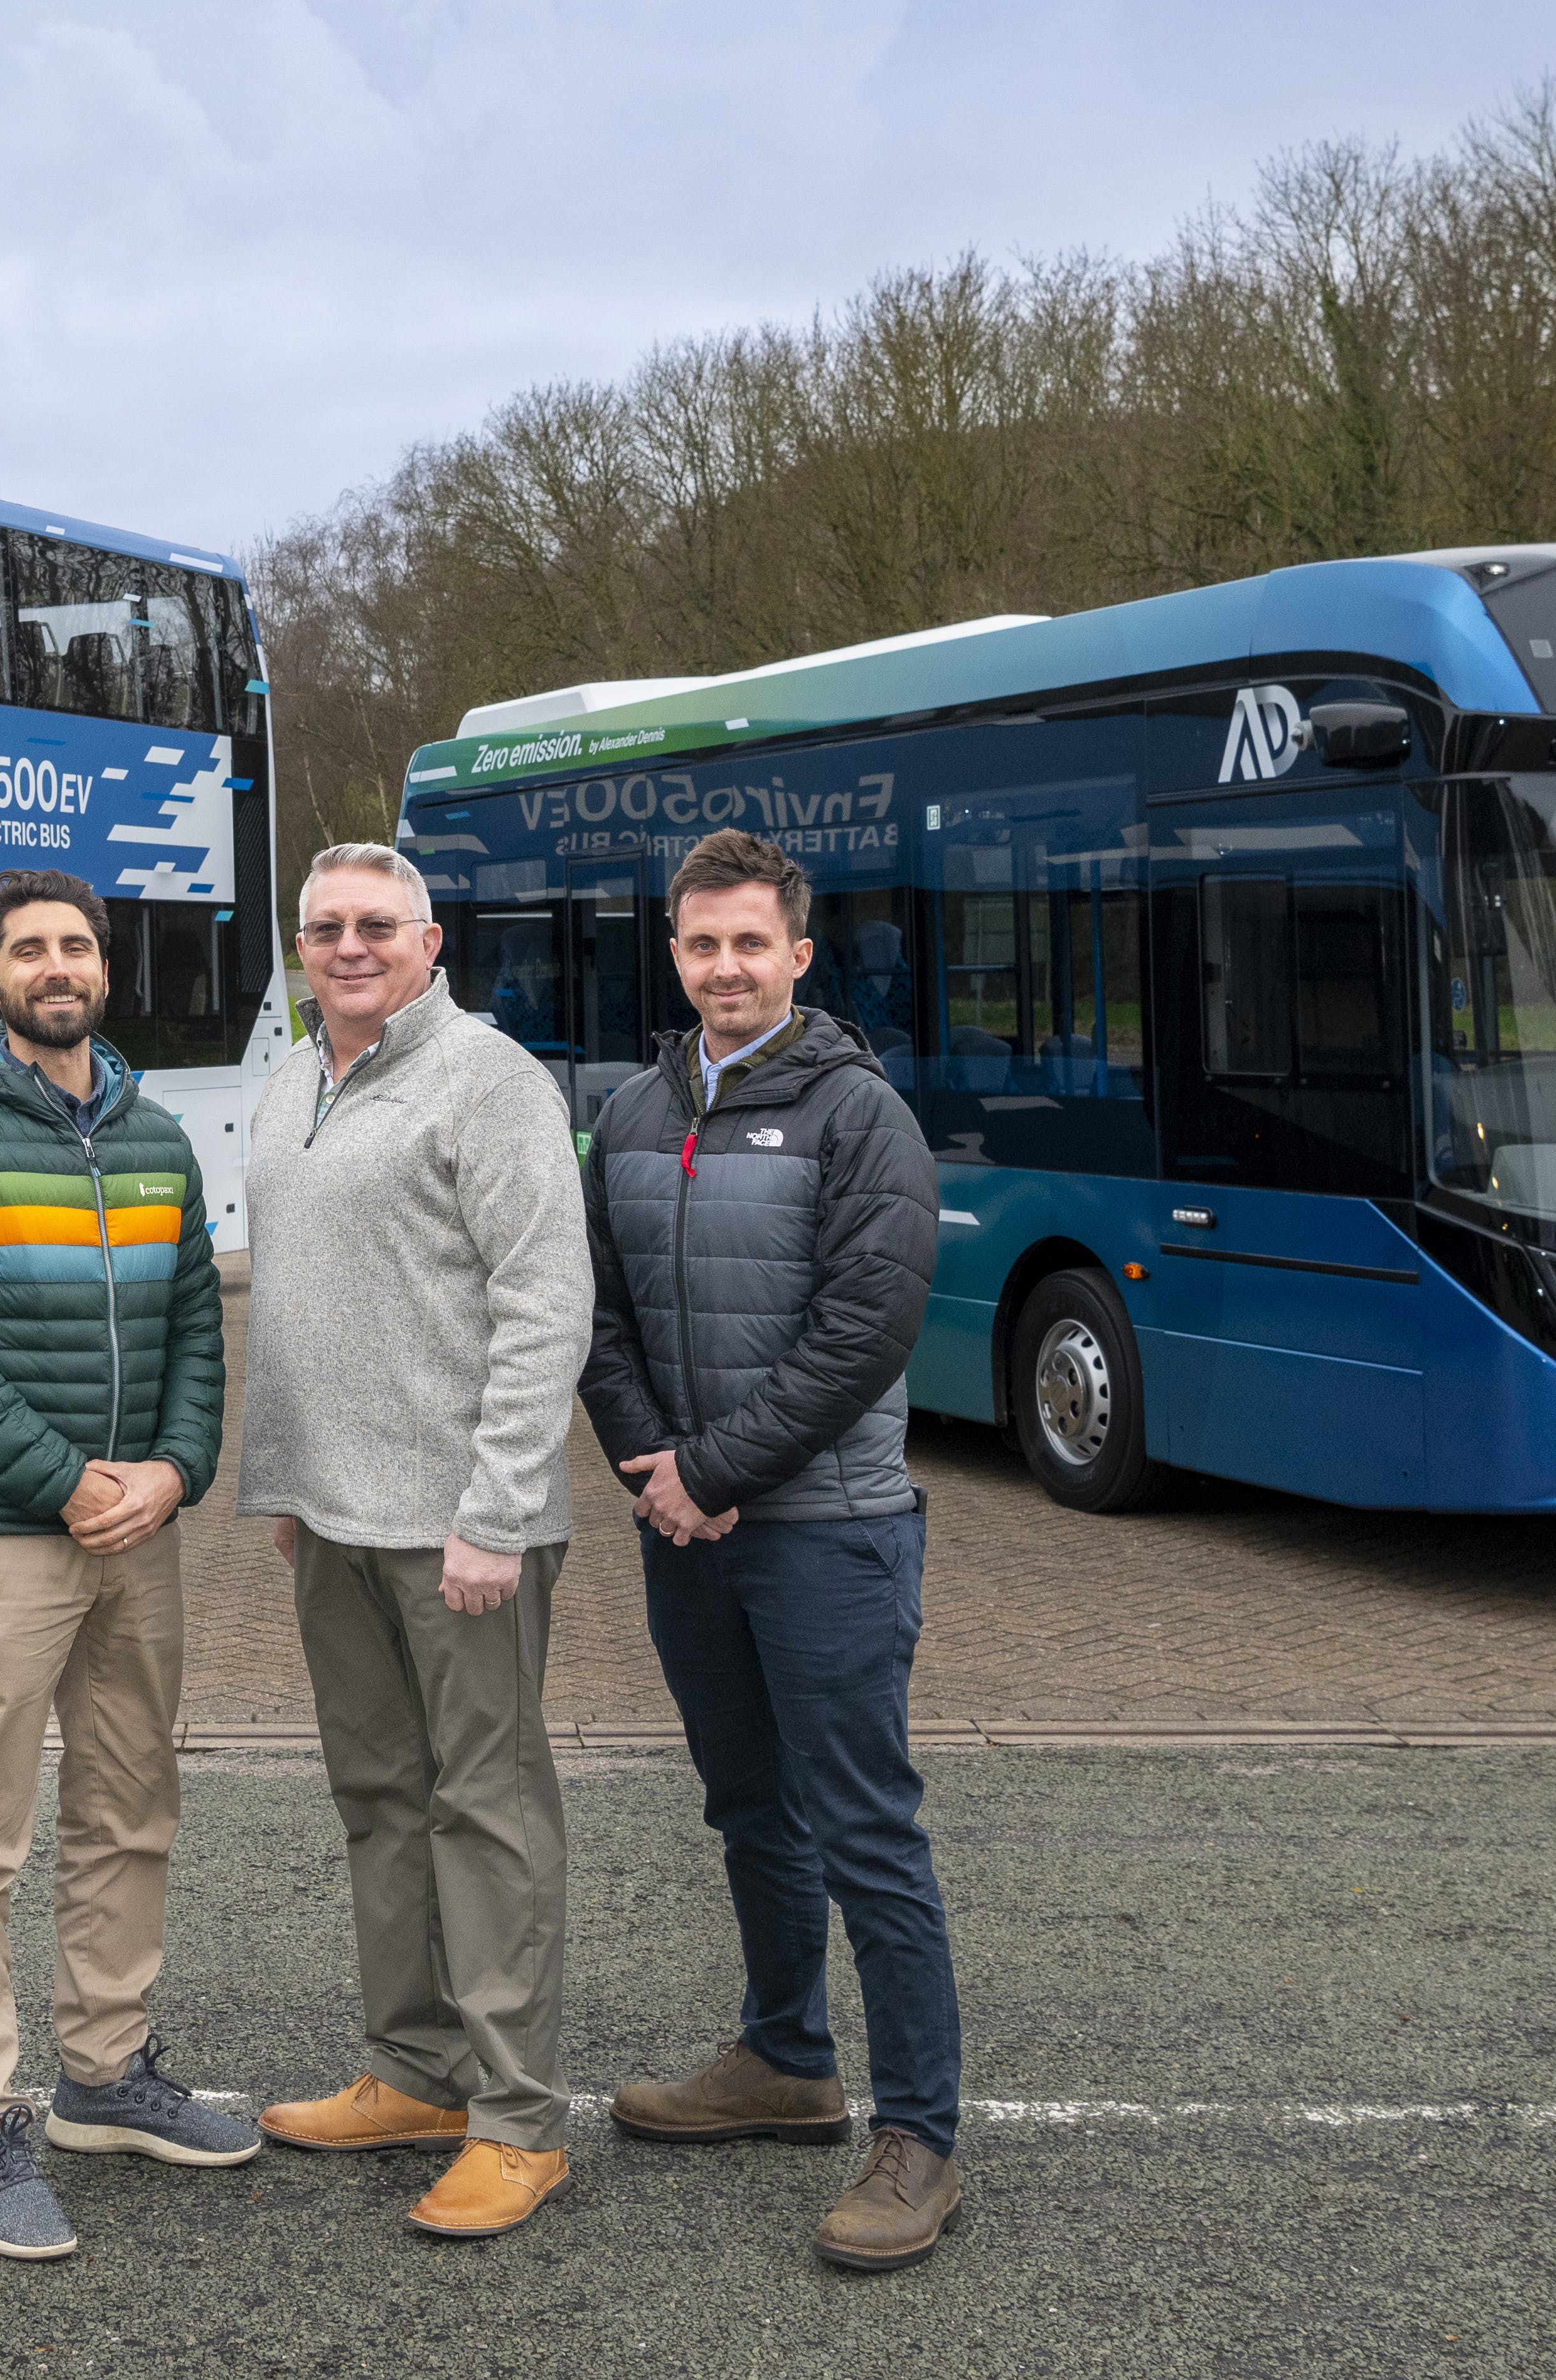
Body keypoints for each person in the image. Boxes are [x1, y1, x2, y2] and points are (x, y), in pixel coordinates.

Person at [580, 827, 962, 2271]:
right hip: (685, 1527)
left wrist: (719, 1469)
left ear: (798, 953)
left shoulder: (859, 1112)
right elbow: (597, 1314)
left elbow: (866, 1329)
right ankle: (786, 2057)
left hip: (829, 1531)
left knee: (866, 1830)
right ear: (671, 955)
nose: (723, 966)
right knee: (747, 1806)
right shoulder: (627, 1110)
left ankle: (918, 2132)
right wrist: (656, 1468)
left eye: (751, 942)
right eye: (700, 944)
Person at [0, 868, 251, 2263]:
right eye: (26, 948)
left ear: (104, 967)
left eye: (75, 943)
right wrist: (63, 1479)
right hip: (3, 1535)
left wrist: (168, 1471)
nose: (55, 963)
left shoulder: (158, 1134)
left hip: (134, 1536)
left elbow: (197, 1336)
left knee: (129, 1801)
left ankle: (104, 2071)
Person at [236, 840, 596, 2240]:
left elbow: (542, 1302)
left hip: (461, 1530)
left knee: (484, 1808)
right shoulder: (288, 1083)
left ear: (429, 941)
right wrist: (284, 1481)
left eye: (375, 924)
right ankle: (412, 2066)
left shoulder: (488, 1080)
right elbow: (299, 1300)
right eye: (323, 925)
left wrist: (497, 1508)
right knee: (379, 1799)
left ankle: (515, 2119)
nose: (346, 945)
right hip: (329, 1517)